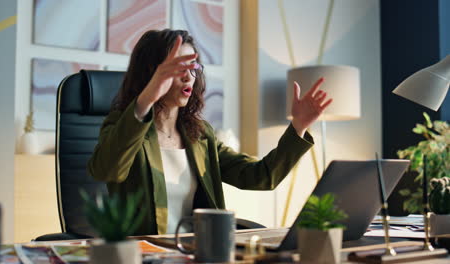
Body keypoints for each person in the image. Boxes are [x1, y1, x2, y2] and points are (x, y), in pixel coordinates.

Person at [88, 29, 332, 235]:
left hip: (200, 252)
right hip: (146, 254)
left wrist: (298, 126)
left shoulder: (200, 135)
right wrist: (146, 100)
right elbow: (106, 169)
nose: (188, 76)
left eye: (193, 67)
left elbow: (260, 176)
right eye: (178, 68)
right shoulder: (125, 125)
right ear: (152, 73)